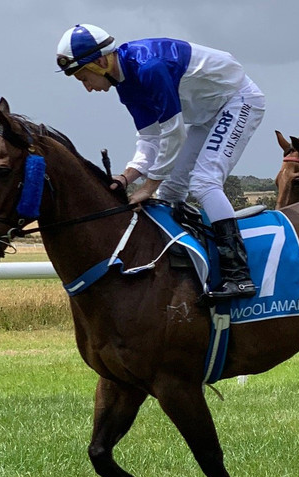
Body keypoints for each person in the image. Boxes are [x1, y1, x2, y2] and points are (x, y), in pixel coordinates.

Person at [56, 23, 265, 300]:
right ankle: (184, 267)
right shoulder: (125, 84)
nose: (87, 88)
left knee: (203, 182)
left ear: (101, 61)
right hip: (205, 116)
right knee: (171, 192)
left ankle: (238, 274)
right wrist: (127, 177)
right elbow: (150, 138)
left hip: (239, 101)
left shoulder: (148, 68)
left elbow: (174, 133)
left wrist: (149, 185)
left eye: (84, 77)